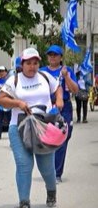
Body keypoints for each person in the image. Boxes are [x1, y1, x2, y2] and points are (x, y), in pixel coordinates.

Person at [0, 47, 63, 208]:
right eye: (28, 63)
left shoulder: (45, 77)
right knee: (24, 165)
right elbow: (1, 100)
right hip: (18, 127)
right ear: (22, 64)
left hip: (43, 126)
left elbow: (57, 88)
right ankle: (24, 203)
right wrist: (18, 103)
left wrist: (60, 100)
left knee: (46, 167)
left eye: (35, 63)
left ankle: (51, 191)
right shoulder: (14, 80)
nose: (32, 67)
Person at [40, 45, 79, 183]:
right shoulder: (42, 71)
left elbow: (75, 90)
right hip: (48, 106)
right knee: (48, 138)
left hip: (64, 107)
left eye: (55, 55)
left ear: (61, 57)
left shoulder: (66, 70)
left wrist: (66, 77)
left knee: (64, 137)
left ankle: (57, 173)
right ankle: (49, 170)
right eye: (50, 54)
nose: (52, 57)